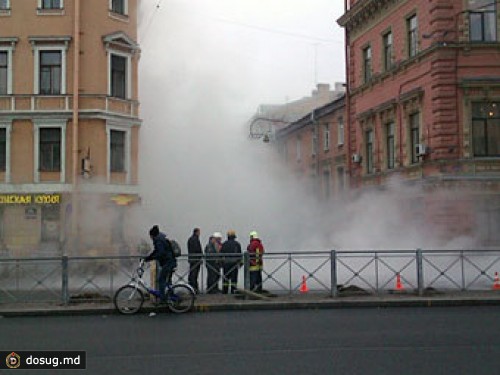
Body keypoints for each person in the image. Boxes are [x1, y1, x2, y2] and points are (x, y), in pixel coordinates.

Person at [144, 225, 176, 303]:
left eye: (150, 236)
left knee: (161, 280)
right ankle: (170, 296)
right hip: (171, 261)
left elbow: (160, 252)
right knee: (167, 281)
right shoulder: (161, 238)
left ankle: (163, 298)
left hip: (168, 262)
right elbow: (156, 251)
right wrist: (148, 258)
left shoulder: (158, 240)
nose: (150, 238)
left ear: (152, 235)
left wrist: (150, 258)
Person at [220, 230, 242, 294]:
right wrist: (240, 263)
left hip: (226, 264)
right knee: (234, 278)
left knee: (226, 278)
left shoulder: (224, 244)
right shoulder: (237, 244)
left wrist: (221, 264)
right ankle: (233, 290)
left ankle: (225, 291)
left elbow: (221, 254)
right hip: (234, 264)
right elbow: (239, 254)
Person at [187, 227, 203, 293]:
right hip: (195, 259)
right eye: (199, 232)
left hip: (192, 259)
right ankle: (194, 289)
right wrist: (200, 255)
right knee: (194, 275)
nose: (200, 233)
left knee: (192, 274)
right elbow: (197, 249)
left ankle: (192, 288)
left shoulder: (191, 239)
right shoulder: (195, 239)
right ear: (196, 232)